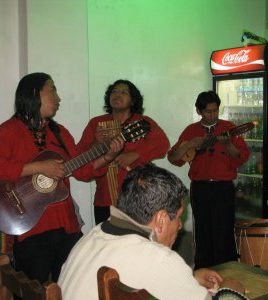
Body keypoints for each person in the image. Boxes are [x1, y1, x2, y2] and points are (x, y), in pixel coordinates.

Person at [0, 72, 124, 284]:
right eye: (52, 90)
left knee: (71, 286)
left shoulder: (60, 133)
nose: (58, 98)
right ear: (34, 94)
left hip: (66, 226)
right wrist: (38, 167)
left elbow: (83, 171)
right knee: (32, 292)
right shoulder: (9, 130)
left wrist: (108, 156)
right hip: (30, 227)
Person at [58, 164, 246, 300]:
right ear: (161, 220)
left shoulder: (95, 233)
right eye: (178, 217)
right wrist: (230, 290)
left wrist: (187, 280)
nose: (180, 226)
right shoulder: (157, 258)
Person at [167, 91, 250, 269]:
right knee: (203, 232)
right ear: (199, 111)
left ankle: (227, 271)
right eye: (208, 112)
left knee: (224, 231)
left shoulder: (229, 127)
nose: (212, 115)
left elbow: (241, 158)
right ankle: (203, 272)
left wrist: (228, 144)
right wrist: (190, 144)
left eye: (215, 111)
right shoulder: (191, 131)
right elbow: (173, 158)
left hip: (223, 188)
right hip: (200, 187)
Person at [77, 79, 169, 224]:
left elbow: (162, 144)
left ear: (133, 101)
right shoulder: (96, 123)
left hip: (138, 196)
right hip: (104, 198)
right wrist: (96, 142)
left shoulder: (143, 122)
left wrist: (135, 155)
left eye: (123, 92)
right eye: (114, 91)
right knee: (107, 243)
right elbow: (79, 156)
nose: (117, 95)